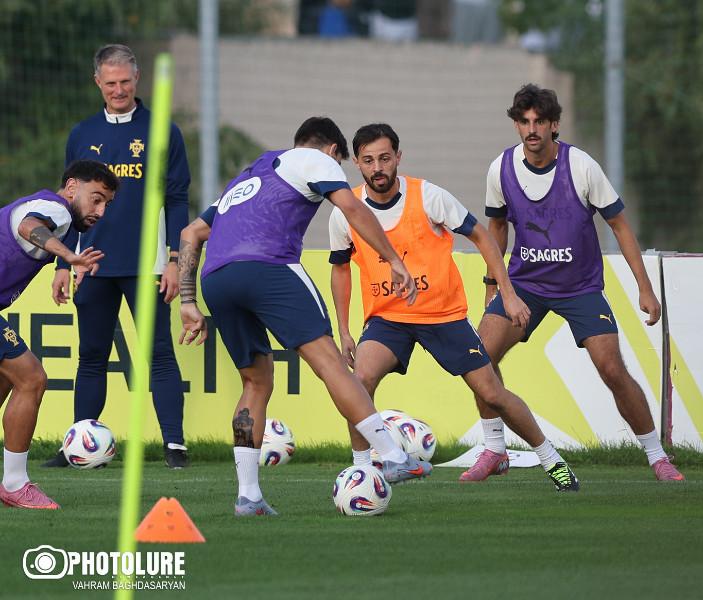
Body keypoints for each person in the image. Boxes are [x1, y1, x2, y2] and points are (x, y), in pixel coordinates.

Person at [177, 117, 432, 516]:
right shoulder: (317, 159)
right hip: (269, 267)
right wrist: (393, 260)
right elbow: (352, 208)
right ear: (332, 150)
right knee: (331, 364)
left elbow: (190, 233)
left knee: (255, 382)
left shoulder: (250, 175)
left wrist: (187, 301)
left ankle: (248, 496)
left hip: (217, 278)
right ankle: (393, 456)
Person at [328, 123, 579, 491]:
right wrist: (344, 330)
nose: (377, 168)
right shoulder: (345, 211)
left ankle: (552, 460)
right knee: (359, 381)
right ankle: (363, 471)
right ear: (356, 162)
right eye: (368, 161)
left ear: (398, 157)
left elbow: (482, 236)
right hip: (388, 318)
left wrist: (507, 293)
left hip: (442, 315)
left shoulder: (428, 196)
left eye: (384, 158)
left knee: (492, 393)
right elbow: (340, 270)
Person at [467, 84, 685, 483]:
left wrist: (644, 287)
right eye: (524, 122)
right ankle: (495, 449)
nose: (532, 129)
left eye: (540, 122)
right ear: (516, 125)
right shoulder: (500, 169)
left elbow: (619, 225)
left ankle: (658, 457)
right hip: (525, 285)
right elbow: (496, 228)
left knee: (612, 369)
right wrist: (492, 285)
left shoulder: (581, 166)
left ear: (554, 125)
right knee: (479, 356)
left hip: (580, 288)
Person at [46, 44, 191, 469]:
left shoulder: (164, 131)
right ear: (98, 82)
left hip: (147, 265)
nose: (118, 90)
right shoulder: (81, 134)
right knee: (91, 355)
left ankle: (175, 445)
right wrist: (62, 263)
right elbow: (68, 205)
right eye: (110, 83)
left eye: (125, 81)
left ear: (137, 78)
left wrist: (174, 260)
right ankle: (78, 445)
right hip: (91, 263)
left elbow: (177, 199)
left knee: (158, 353)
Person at [1, 161, 117, 509]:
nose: (100, 211)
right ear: (71, 187)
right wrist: (69, 257)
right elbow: (29, 226)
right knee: (31, 378)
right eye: (96, 198)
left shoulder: (56, 216)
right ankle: (15, 484)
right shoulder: (57, 210)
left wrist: (66, 261)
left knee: (9, 378)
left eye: (106, 204)